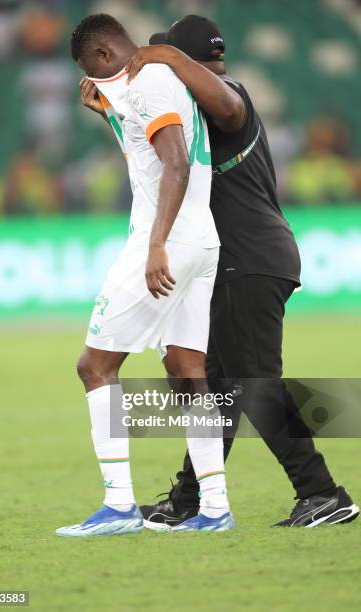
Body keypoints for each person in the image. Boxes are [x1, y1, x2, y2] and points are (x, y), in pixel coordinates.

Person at [120, 15, 358, 529]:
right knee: (223, 388)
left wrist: (169, 58)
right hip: (247, 257)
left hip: (247, 258)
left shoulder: (228, 94)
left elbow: (225, 103)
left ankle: (322, 493)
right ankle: (188, 501)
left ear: (185, 61)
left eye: (171, 60)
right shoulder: (201, 107)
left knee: (253, 382)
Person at [56, 13, 235, 537]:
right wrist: (108, 113)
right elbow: (148, 157)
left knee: (94, 366)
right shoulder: (156, 82)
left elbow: (174, 163)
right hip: (201, 241)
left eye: (96, 69)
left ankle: (118, 508)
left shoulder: (151, 80)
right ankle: (216, 509)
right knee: (186, 372)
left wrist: (156, 245)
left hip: (167, 244)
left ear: (106, 56)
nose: (98, 79)